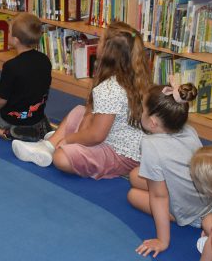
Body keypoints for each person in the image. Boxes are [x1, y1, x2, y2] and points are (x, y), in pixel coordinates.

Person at [13, 21, 150, 179]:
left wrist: (68, 140)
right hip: (126, 145)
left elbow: (96, 136)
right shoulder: (136, 78)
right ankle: (47, 146)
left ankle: (55, 145)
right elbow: (91, 115)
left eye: (101, 41)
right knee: (80, 111)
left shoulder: (109, 89)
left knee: (62, 158)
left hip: (120, 154)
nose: (96, 43)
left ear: (109, 52)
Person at [128, 82, 207, 258]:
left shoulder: (150, 145)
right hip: (205, 195)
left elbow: (159, 196)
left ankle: (183, 218)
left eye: (143, 110)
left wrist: (162, 240)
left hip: (191, 212)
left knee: (133, 195)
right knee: (135, 175)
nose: (141, 112)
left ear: (153, 123)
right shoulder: (188, 129)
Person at [0, 12, 52, 142]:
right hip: (36, 115)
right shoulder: (45, 60)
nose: (7, 34)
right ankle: (37, 126)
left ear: (16, 40)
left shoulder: (11, 66)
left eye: (8, 32)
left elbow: (1, 100)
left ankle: (8, 133)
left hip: (13, 117)